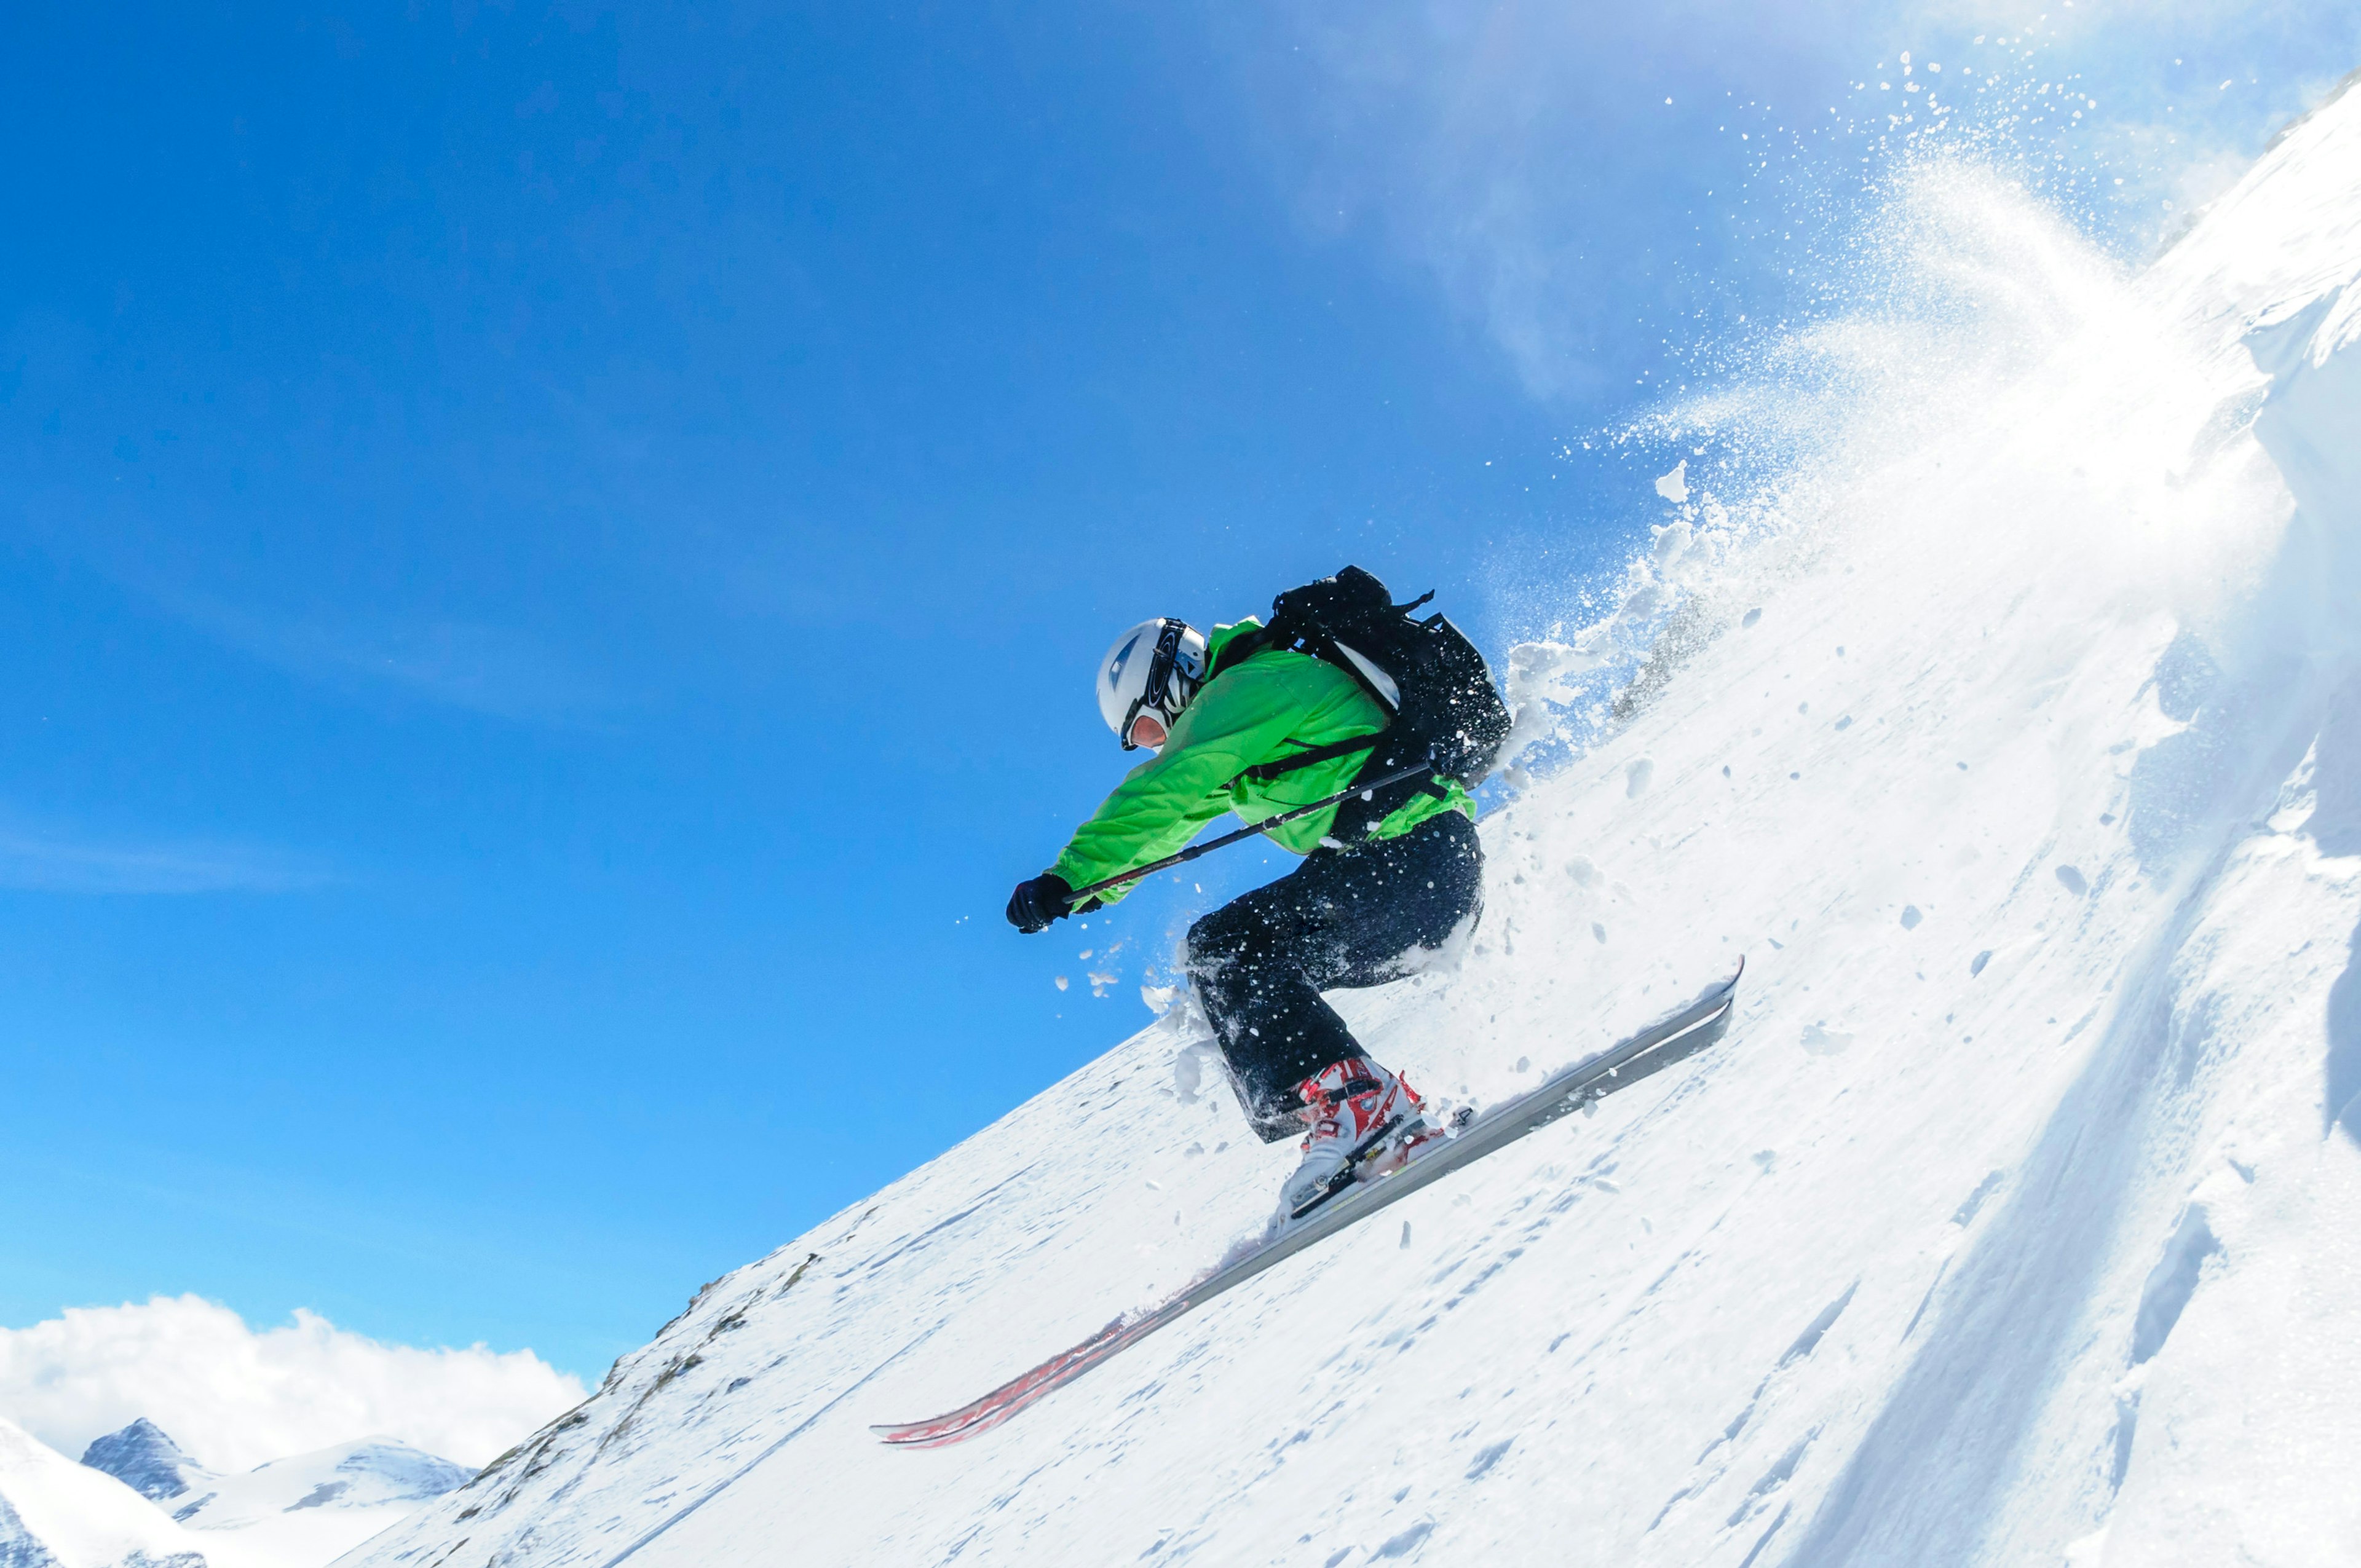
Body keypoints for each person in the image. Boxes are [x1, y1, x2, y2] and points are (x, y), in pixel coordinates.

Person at [1006, 586, 1489, 1218]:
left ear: (1175, 678)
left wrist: (1066, 876)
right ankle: (1351, 1111)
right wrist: (1093, 887)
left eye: (1149, 726)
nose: (1156, 744)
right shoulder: (1244, 735)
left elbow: (1163, 790)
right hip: (1420, 882)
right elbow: (1170, 823)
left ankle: (1362, 1107)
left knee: (1226, 945)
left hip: (1417, 861)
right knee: (1229, 958)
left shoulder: (1250, 688)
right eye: (1143, 739)